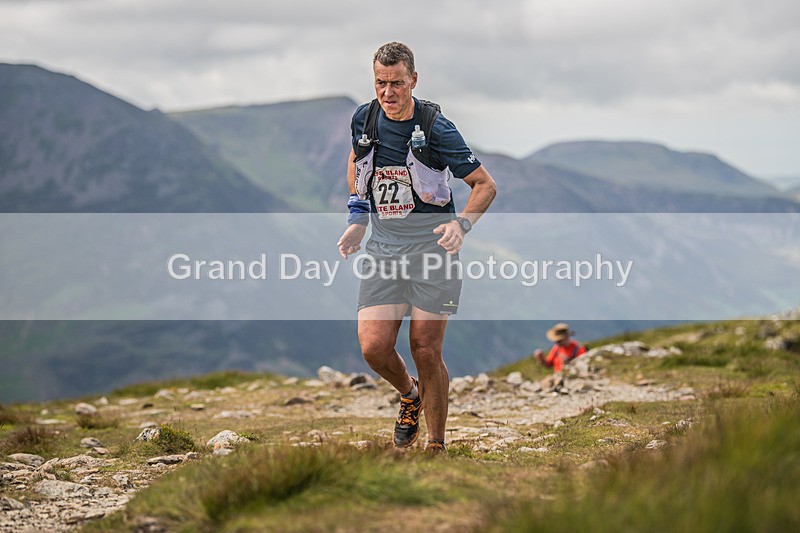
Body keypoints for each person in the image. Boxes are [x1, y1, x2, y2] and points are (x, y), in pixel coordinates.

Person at [337, 42, 496, 454]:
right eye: (380, 83)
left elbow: (484, 184)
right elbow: (356, 161)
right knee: (373, 348)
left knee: (425, 349)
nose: (388, 93)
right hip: (384, 252)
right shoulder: (365, 117)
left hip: (433, 254)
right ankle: (409, 395)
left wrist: (461, 225)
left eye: (396, 84)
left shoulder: (437, 129)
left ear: (414, 80)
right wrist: (357, 217)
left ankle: (436, 446)